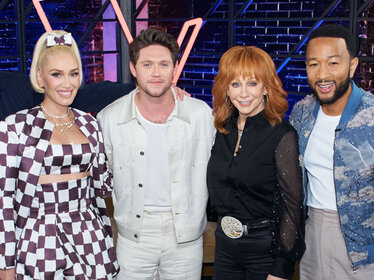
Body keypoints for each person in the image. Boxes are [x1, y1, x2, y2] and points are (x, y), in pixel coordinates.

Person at [290, 24, 374, 280]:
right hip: (311, 240)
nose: (322, 74)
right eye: (313, 64)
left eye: (333, 63)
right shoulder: (301, 114)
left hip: (366, 251)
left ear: (352, 65)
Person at [97, 27, 215, 280]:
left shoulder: (200, 115)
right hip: (133, 236)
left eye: (164, 64)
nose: (156, 73)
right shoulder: (109, 119)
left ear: (174, 67)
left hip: (186, 234)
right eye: (147, 64)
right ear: (133, 68)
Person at [0, 30, 119, 279]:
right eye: (57, 74)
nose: (68, 83)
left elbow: (103, 187)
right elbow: (4, 203)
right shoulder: (16, 126)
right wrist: (6, 263)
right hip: (38, 238)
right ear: (40, 78)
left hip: (89, 237)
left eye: (73, 74)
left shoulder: (89, 123)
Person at [207, 46, 305, 280]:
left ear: (266, 87)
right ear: (226, 89)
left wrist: (282, 266)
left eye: (252, 83)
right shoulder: (222, 129)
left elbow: (293, 205)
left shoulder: (281, 134)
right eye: (235, 84)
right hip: (224, 247)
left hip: (264, 251)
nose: (243, 94)